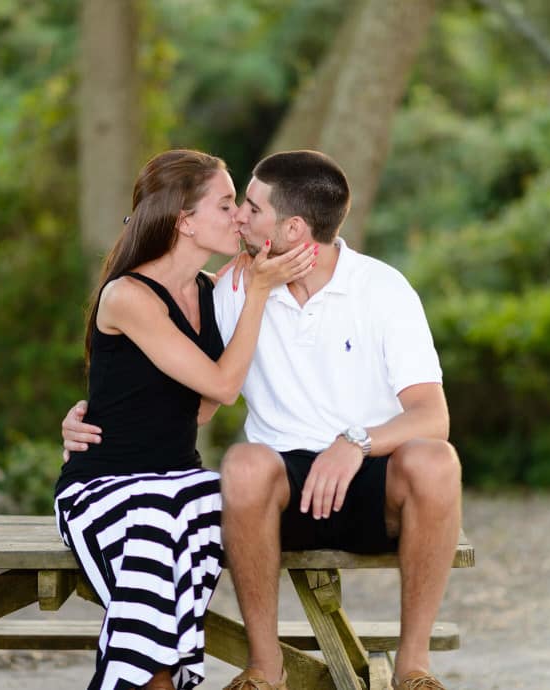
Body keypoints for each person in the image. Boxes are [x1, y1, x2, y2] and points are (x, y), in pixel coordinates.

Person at [63, 151, 462, 690]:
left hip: (366, 474)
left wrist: (357, 443)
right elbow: (200, 393)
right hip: (268, 487)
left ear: (293, 227)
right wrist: (94, 415)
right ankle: (260, 669)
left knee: (437, 460)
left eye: (248, 207)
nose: (240, 218)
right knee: (236, 470)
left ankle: (414, 669)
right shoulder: (228, 289)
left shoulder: (382, 289)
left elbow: (432, 415)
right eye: (231, 205)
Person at [57, 149, 316, 690]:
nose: (239, 217)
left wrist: (247, 288)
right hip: (105, 486)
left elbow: (199, 407)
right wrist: (259, 297)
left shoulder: (209, 291)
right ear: (185, 220)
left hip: (176, 483)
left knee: (199, 497)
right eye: (226, 205)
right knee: (158, 519)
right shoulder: (128, 295)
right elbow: (223, 384)